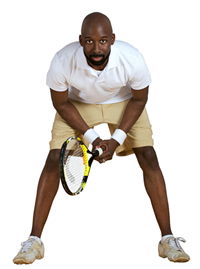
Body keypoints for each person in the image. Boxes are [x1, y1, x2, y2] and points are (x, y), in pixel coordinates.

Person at [13, 12, 190, 264]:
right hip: (77, 105)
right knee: (54, 159)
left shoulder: (132, 58)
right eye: (89, 41)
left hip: (124, 102)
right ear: (80, 40)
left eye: (103, 41)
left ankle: (167, 239)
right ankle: (34, 241)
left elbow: (139, 99)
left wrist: (116, 138)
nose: (96, 48)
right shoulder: (62, 60)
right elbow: (60, 103)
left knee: (149, 155)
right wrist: (93, 137)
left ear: (113, 40)